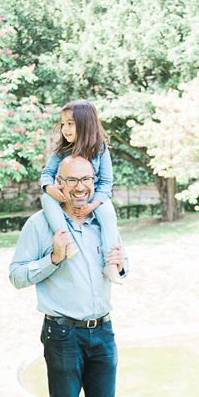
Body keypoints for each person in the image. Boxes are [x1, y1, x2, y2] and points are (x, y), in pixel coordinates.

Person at [9, 154, 143, 397]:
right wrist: (52, 258)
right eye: (71, 181)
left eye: (87, 179)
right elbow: (17, 275)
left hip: (104, 332)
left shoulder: (105, 222)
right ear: (59, 185)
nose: (80, 187)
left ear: (94, 181)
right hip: (62, 334)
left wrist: (122, 264)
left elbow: (121, 265)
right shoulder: (40, 225)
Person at [40, 100, 122, 285]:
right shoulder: (62, 150)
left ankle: (110, 263)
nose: (65, 129)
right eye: (63, 124)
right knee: (46, 200)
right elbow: (47, 174)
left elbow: (106, 183)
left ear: (85, 125)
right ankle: (67, 243)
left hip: (94, 197)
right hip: (66, 195)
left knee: (108, 214)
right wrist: (49, 188)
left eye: (70, 124)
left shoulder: (100, 150)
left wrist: (92, 206)